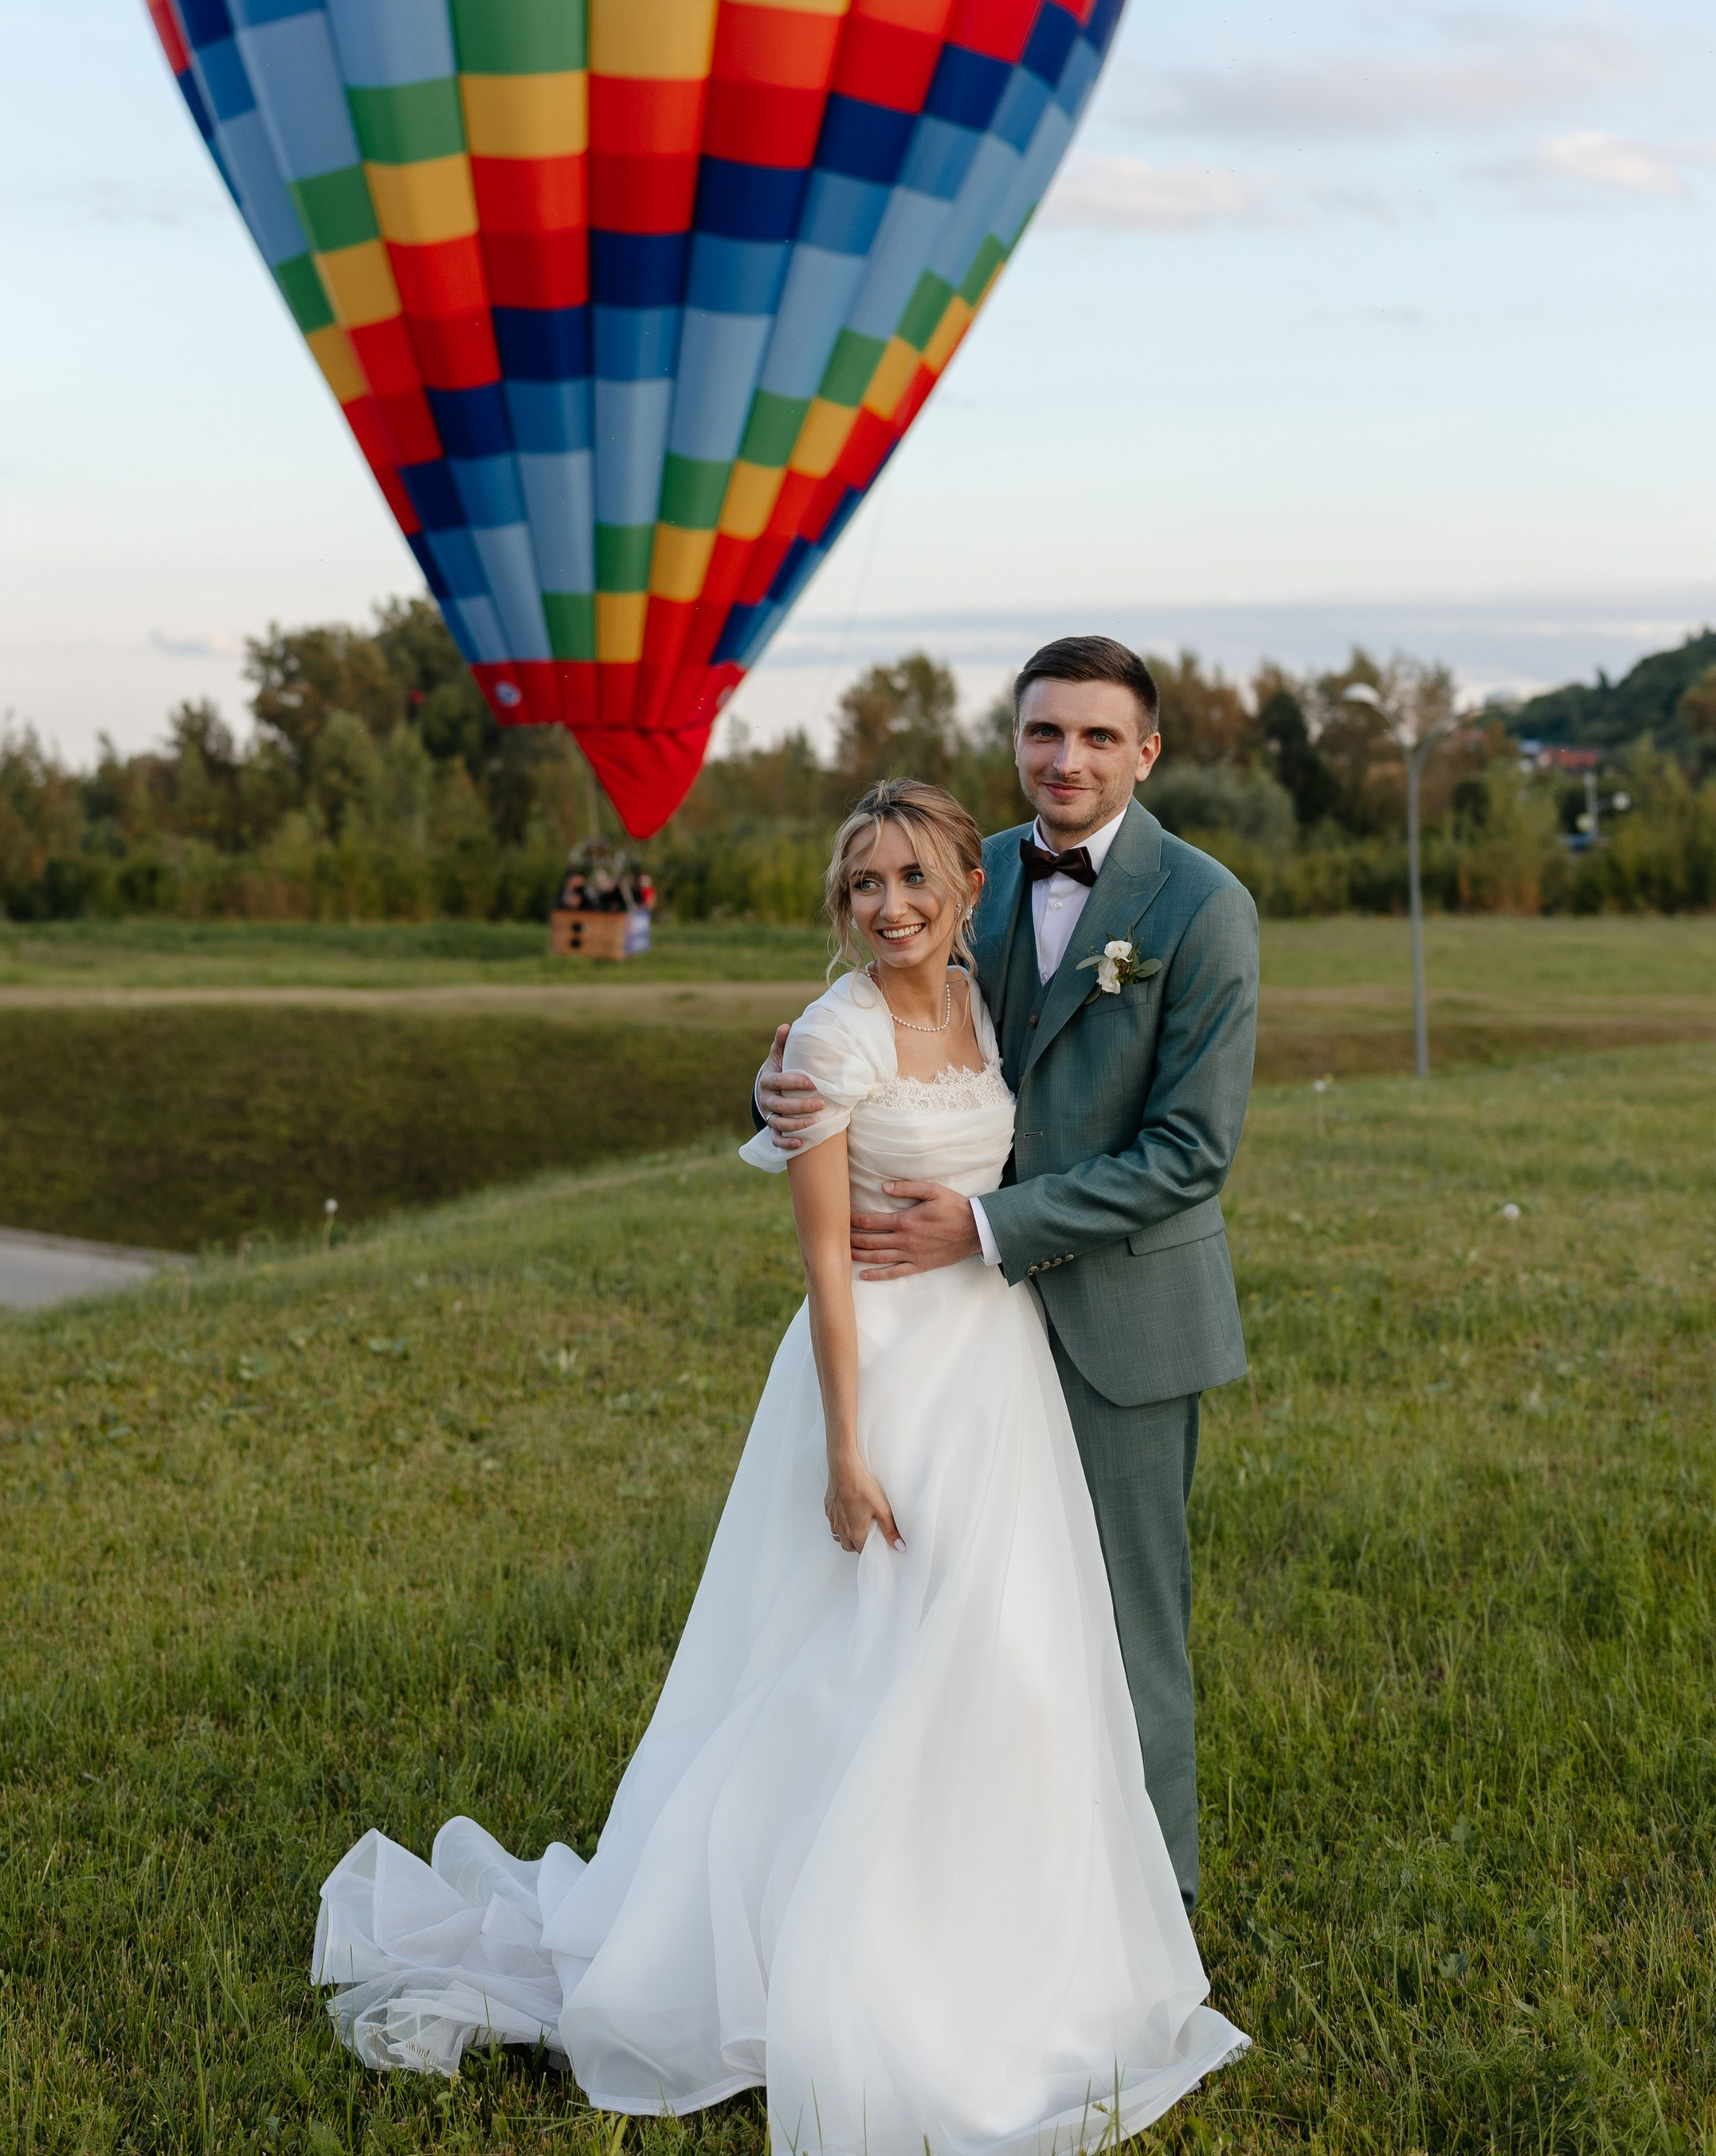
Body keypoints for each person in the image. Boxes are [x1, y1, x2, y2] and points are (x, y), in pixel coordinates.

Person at [311, 775, 1248, 2154]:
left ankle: (1001, 1923)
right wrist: (848, 1453)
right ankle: (816, 1950)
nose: (893, 905)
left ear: (963, 892)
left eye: (915, 882)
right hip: (879, 1389)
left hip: (999, 1377)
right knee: (848, 1676)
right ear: (841, 900)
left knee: (1011, 1659)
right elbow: (823, 1265)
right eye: (865, 885)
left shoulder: (982, 999)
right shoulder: (832, 1035)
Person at [754, 633, 1259, 1910]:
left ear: (1146, 751)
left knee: (1126, 1628)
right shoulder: (972, 891)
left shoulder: (1202, 907)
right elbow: (896, 1031)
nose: (1067, 758)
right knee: (983, 1626)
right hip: (962, 1348)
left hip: (1119, 1317)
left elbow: (1192, 1152)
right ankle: (981, 1891)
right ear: (1016, 742)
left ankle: (1153, 1911)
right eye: (1045, 732)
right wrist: (779, 1093)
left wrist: (984, 1230)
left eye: (1098, 736)